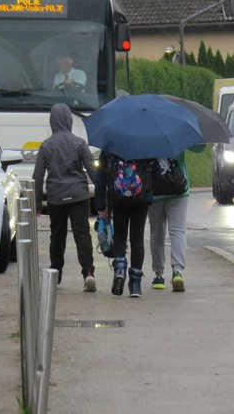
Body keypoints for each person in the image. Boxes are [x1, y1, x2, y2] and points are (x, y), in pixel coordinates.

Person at [33, 103, 97, 291]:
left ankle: (56, 273)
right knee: (82, 234)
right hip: (79, 195)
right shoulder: (79, 143)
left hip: (56, 197)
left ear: (52, 121)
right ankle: (88, 272)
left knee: (57, 236)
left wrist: (37, 204)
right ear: (69, 120)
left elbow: (37, 177)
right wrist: (102, 196)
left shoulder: (46, 146)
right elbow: (93, 170)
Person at [94, 152, 153, 297]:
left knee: (120, 236)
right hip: (141, 198)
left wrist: (101, 204)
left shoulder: (110, 145)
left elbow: (100, 177)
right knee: (137, 238)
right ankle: (135, 285)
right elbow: (155, 172)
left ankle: (120, 270)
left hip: (118, 198)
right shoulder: (146, 143)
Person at [148, 151, 192, 292]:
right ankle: (177, 271)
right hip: (178, 189)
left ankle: (159, 275)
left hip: (154, 191)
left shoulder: (145, 135)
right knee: (177, 230)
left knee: (156, 233)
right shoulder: (179, 133)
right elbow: (200, 149)